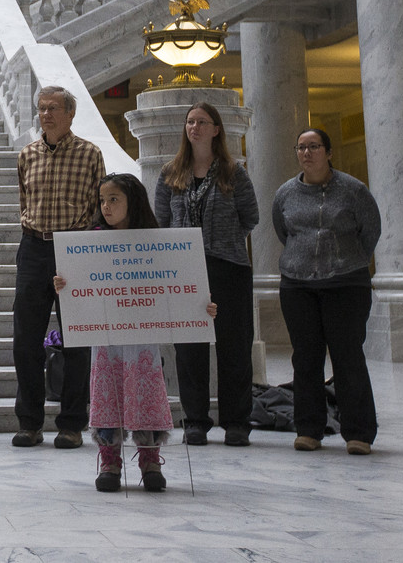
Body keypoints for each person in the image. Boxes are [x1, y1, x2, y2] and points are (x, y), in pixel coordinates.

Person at [54, 173, 217, 492]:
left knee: (145, 391)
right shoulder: (92, 242)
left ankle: (150, 460)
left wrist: (199, 308)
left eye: (114, 199)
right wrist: (65, 284)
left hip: (142, 336)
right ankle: (110, 460)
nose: (106, 206)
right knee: (106, 391)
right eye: (102, 200)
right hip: (107, 337)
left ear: (133, 201)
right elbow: (81, 287)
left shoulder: (154, 240)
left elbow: (177, 284)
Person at [154, 101, 259, 447]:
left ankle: (236, 422)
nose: (194, 127)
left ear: (216, 129)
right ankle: (195, 420)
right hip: (184, 270)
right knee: (189, 349)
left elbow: (251, 217)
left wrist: (220, 240)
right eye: (189, 122)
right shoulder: (171, 173)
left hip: (228, 267)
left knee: (234, 347)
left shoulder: (234, 171)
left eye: (201, 122)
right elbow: (162, 222)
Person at [273, 128, 382, 455]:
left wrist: (345, 260)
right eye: (302, 147)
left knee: (347, 357)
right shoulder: (286, 193)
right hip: (297, 285)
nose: (307, 153)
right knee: (305, 358)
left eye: (315, 146)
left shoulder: (353, 190)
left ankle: (359, 432)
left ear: (329, 152)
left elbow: (370, 231)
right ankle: (309, 429)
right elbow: (284, 231)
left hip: (346, 283)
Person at [12, 85, 105, 450]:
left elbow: (98, 206)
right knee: (25, 342)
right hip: (34, 247)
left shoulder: (89, 154)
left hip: (75, 248)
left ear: (70, 114)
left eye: (53, 108)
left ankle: (71, 424)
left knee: (77, 342)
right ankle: (29, 423)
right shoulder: (28, 154)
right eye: (42, 108)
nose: (46, 114)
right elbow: (24, 198)